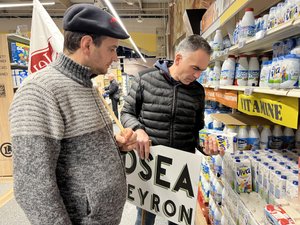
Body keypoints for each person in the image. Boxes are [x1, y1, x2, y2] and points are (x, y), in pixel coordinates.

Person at [9, 4, 137, 225]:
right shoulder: (40, 92)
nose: (115, 57)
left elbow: (76, 153)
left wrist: (114, 146)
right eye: (111, 48)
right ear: (87, 44)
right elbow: (32, 186)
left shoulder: (85, 83)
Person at [121, 34, 223, 225]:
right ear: (178, 59)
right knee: (144, 218)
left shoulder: (197, 91)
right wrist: (138, 130)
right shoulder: (145, 80)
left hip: (180, 169)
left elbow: (196, 131)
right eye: (195, 68)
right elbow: (126, 113)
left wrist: (205, 146)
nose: (197, 75)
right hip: (149, 164)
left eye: (202, 70)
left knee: (177, 221)